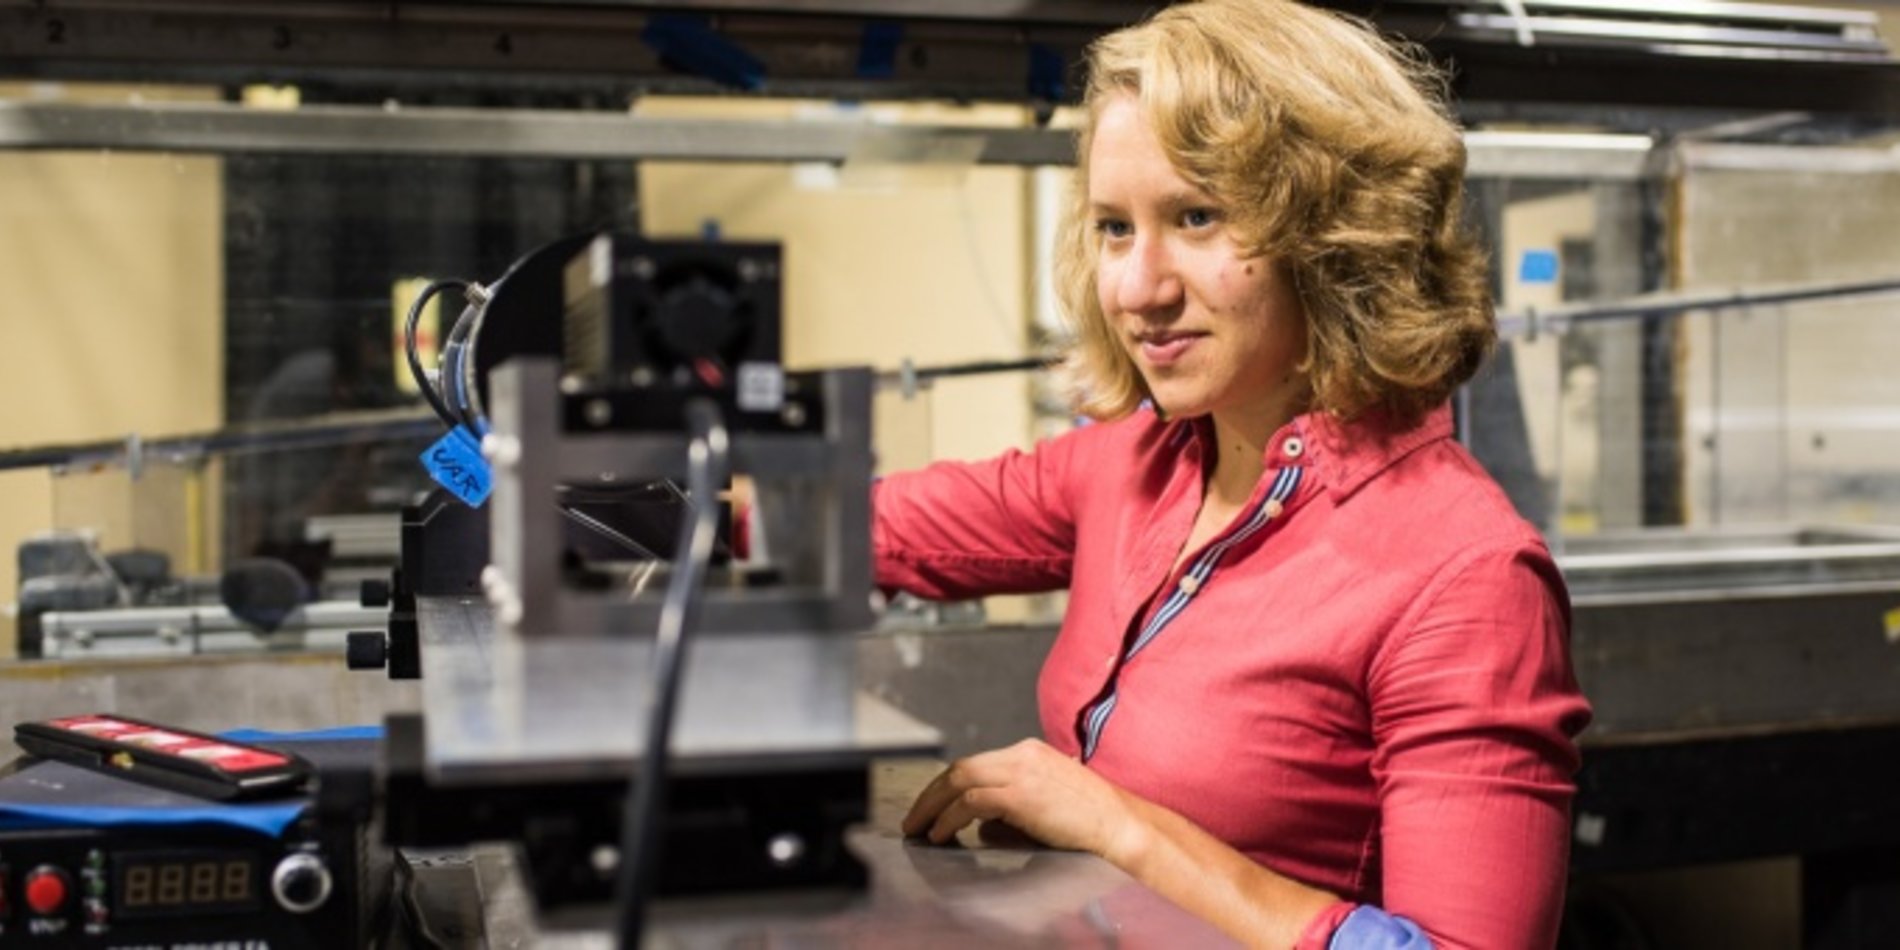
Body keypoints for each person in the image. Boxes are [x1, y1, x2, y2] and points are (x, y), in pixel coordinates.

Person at [876, 1, 1592, 947]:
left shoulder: (1463, 575)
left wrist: (1123, 828)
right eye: (1115, 229)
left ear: (1337, 235)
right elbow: (861, 525)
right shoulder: (1142, 462)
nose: (1138, 287)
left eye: (1197, 216)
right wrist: (634, 509)